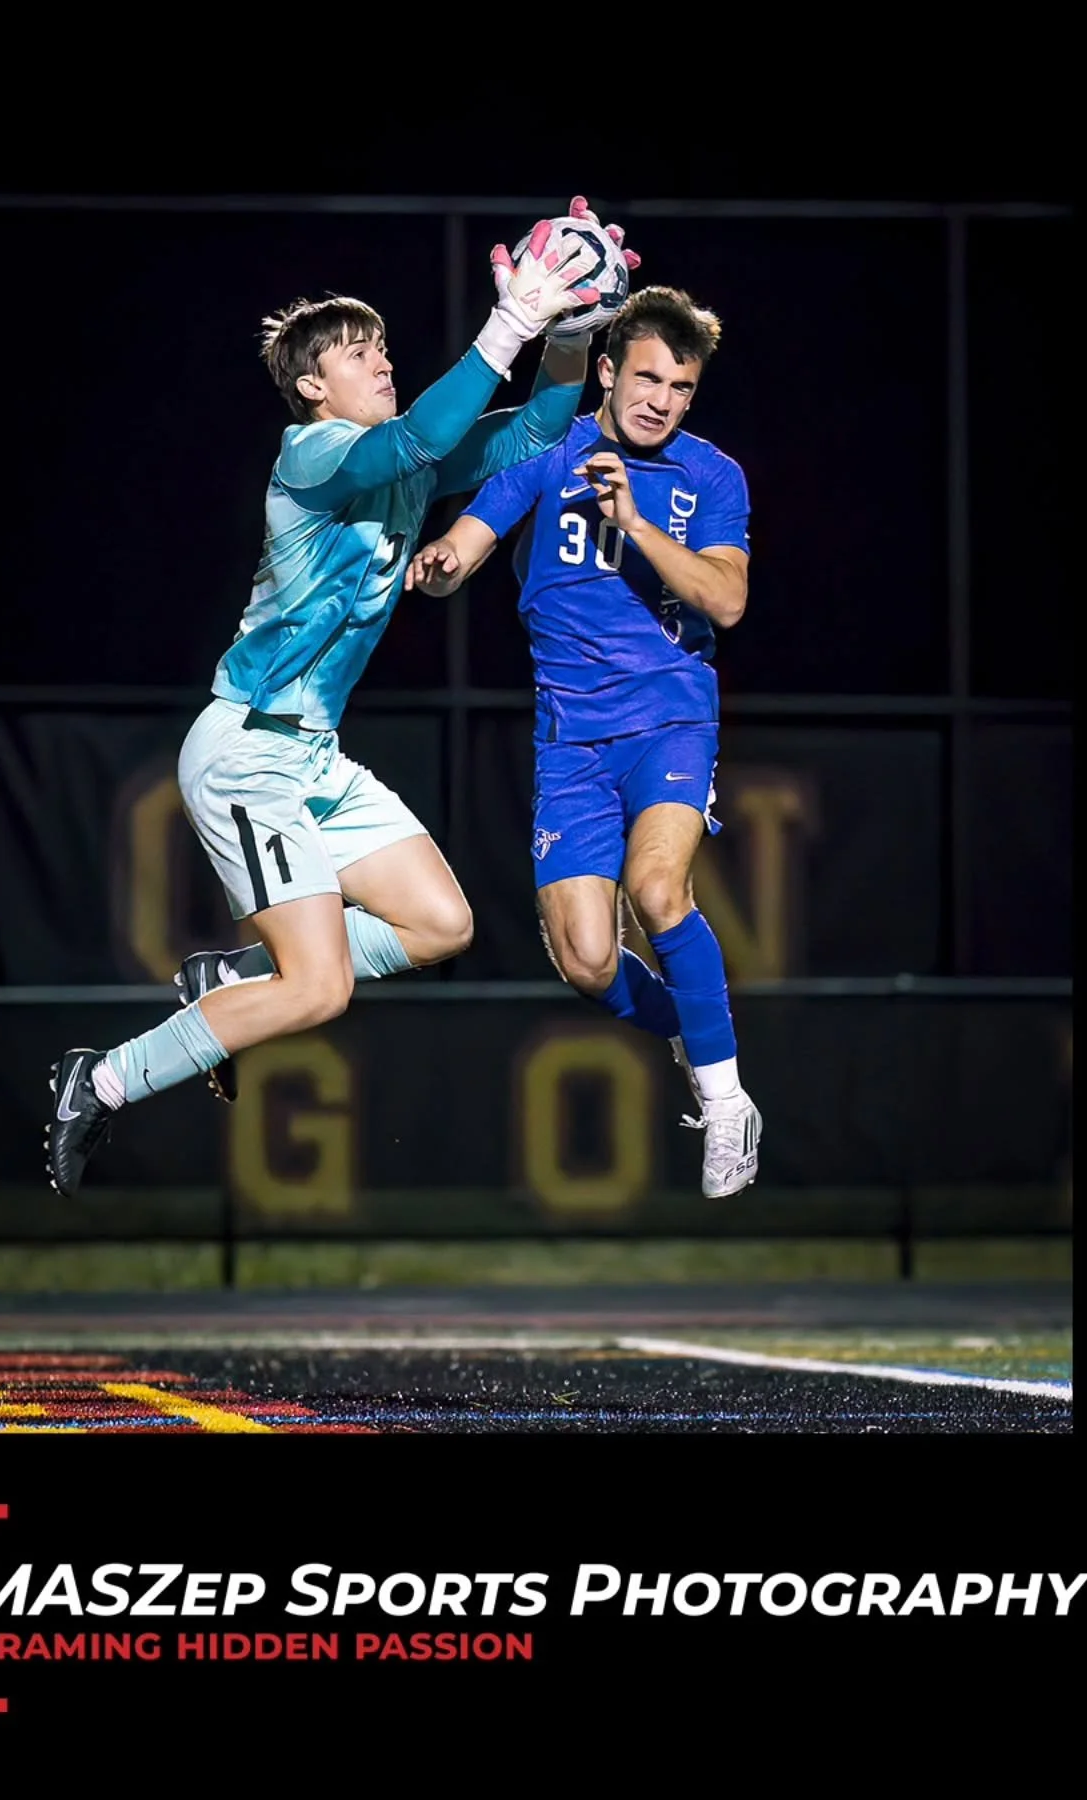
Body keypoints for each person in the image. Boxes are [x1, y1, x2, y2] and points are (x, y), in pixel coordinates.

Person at [46, 198, 641, 1198]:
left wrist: (570, 336)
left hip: (312, 754)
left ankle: (232, 978)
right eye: (360, 355)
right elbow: (405, 447)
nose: (382, 362)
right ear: (313, 386)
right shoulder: (313, 457)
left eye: (383, 349)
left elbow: (536, 434)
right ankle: (100, 1082)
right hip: (245, 753)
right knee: (316, 991)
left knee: (440, 923)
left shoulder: (403, 464)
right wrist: (508, 325)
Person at [403, 285, 761, 1199]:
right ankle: (693, 1022)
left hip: (671, 716)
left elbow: (726, 600)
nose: (661, 400)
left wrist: (636, 520)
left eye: (681, 387)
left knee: (656, 888)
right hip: (571, 742)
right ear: (606, 371)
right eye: (647, 378)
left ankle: (725, 1105)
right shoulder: (551, 450)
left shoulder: (711, 475)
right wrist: (440, 566)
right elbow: (466, 546)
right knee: (587, 961)